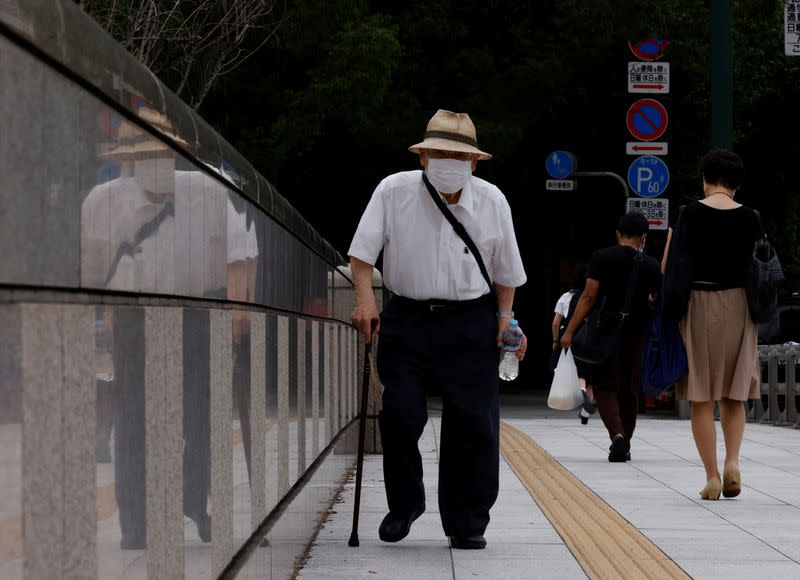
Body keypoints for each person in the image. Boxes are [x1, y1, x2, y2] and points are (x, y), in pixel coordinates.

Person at [348, 109, 527, 550]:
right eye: (439, 153)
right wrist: (366, 300)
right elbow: (361, 252)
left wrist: (506, 324)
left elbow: (507, 273)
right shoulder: (393, 191)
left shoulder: (492, 201)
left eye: (458, 154)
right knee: (400, 413)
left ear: (475, 162)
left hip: (470, 321)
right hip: (406, 317)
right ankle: (405, 503)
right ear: (423, 157)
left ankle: (467, 521)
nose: (448, 161)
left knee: (473, 421)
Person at [662, 150, 762, 500]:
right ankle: (733, 460)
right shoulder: (752, 218)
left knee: (702, 396)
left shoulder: (689, 213)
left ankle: (712, 476)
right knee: (734, 394)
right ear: (737, 182)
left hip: (699, 303)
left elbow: (669, 267)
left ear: (705, 178)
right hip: (740, 305)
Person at [561, 213, 661, 462]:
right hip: (636, 333)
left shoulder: (601, 258)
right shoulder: (650, 264)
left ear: (618, 234)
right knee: (629, 390)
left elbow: (588, 297)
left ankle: (616, 435)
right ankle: (625, 441)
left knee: (605, 387)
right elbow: (657, 301)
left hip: (604, 330)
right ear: (644, 237)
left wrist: (570, 331)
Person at [551, 264, 596, 425]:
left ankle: (581, 390)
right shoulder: (594, 297)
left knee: (579, 373)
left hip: (569, 339)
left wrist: (556, 341)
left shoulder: (566, 297)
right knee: (590, 375)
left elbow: (556, 323)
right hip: (589, 339)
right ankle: (585, 412)